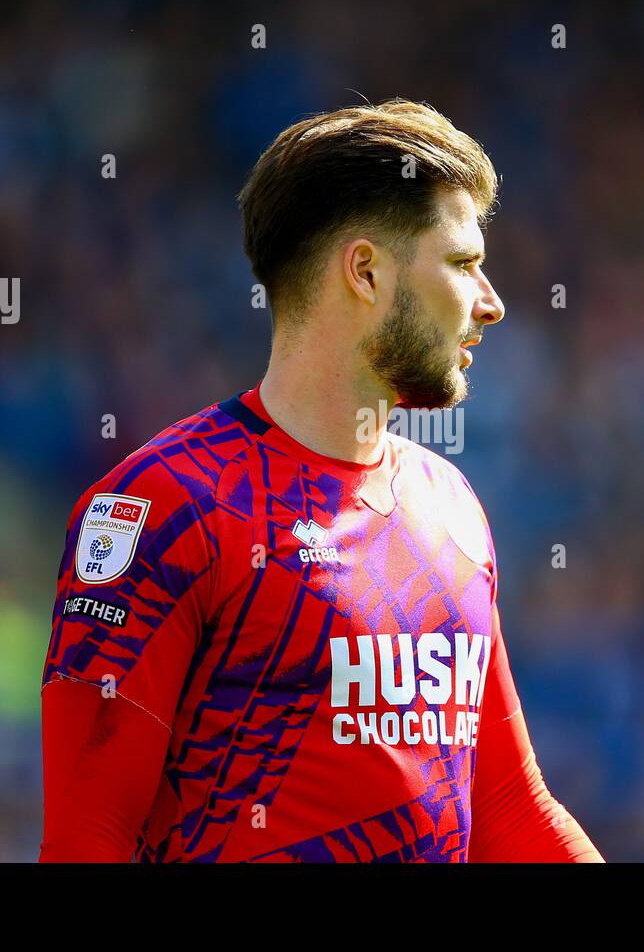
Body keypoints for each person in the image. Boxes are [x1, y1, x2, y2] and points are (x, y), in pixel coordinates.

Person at [39, 99, 603, 862]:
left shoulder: (451, 508)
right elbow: (87, 839)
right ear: (365, 271)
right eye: (464, 264)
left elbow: (509, 810)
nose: (491, 304)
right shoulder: (163, 508)